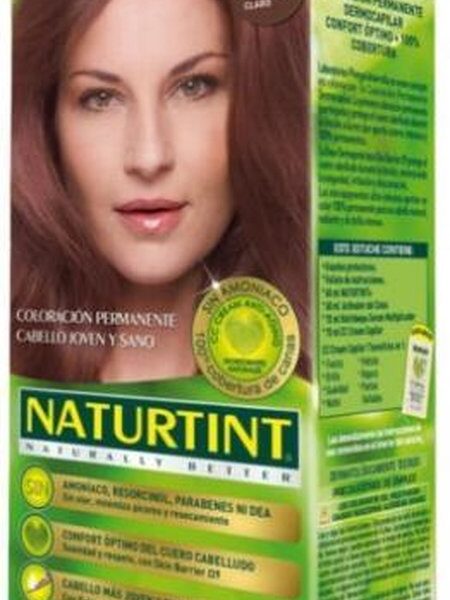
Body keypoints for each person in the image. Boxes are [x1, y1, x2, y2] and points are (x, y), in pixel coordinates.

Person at [12, 0, 310, 383]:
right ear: (46, 126)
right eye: (101, 98)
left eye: (193, 86)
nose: (149, 157)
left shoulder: (313, 392)